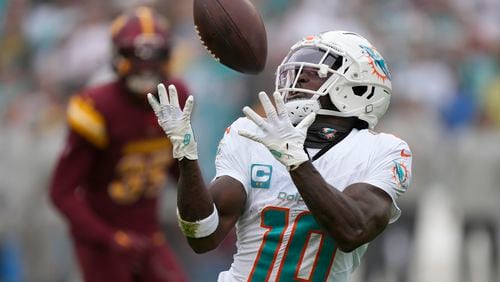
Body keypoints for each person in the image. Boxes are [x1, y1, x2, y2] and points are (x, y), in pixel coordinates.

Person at [148, 30, 413, 281]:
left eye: (315, 72)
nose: (298, 79)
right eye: (296, 71)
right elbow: (202, 236)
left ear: (359, 89)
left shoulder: (383, 151)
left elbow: (352, 231)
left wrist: (297, 163)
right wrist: (186, 156)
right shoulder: (251, 133)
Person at [50, 7, 188, 282]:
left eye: (154, 57)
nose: (146, 67)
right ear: (116, 56)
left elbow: (180, 168)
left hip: (149, 234)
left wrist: (207, 209)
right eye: (135, 57)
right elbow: (61, 192)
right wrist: (110, 237)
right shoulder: (99, 106)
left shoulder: (175, 96)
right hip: (103, 241)